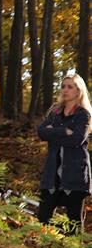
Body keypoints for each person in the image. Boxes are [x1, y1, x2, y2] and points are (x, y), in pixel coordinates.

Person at [36, 73, 91, 235]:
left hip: (75, 174)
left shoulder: (83, 115)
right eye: (63, 86)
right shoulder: (55, 112)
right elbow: (41, 132)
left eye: (70, 87)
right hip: (52, 174)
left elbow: (76, 140)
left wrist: (53, 134)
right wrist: (64, 131)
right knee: (43, 218)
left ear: (78, 91)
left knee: (74, 222)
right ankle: (43, 247)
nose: (65, 90)